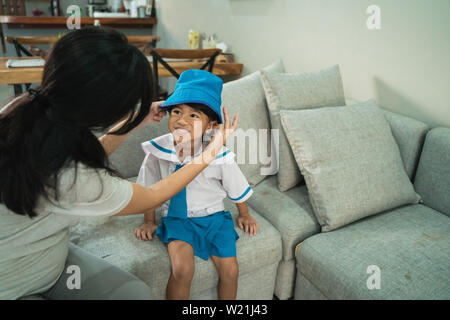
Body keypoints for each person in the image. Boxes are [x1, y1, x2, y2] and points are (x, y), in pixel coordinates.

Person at [0, 27, 238, 300]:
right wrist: (210, 154)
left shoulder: (24, 109)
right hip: (15, 286)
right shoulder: (79, 178)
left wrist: (136, 118)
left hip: (50, 257)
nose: (183, 120)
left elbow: (74, 161)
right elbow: (150, 196)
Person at [133, 69, 258, 300]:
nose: (181, 120)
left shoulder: (219, 155)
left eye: (193, 116)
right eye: (177, 112)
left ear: (210, 125)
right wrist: (148, 221)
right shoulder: (157, 151)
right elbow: (148, 189)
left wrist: (245, 214)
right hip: (178, 219)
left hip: (214, 218)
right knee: (183, 270)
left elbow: (236, 186)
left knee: (231, 270)